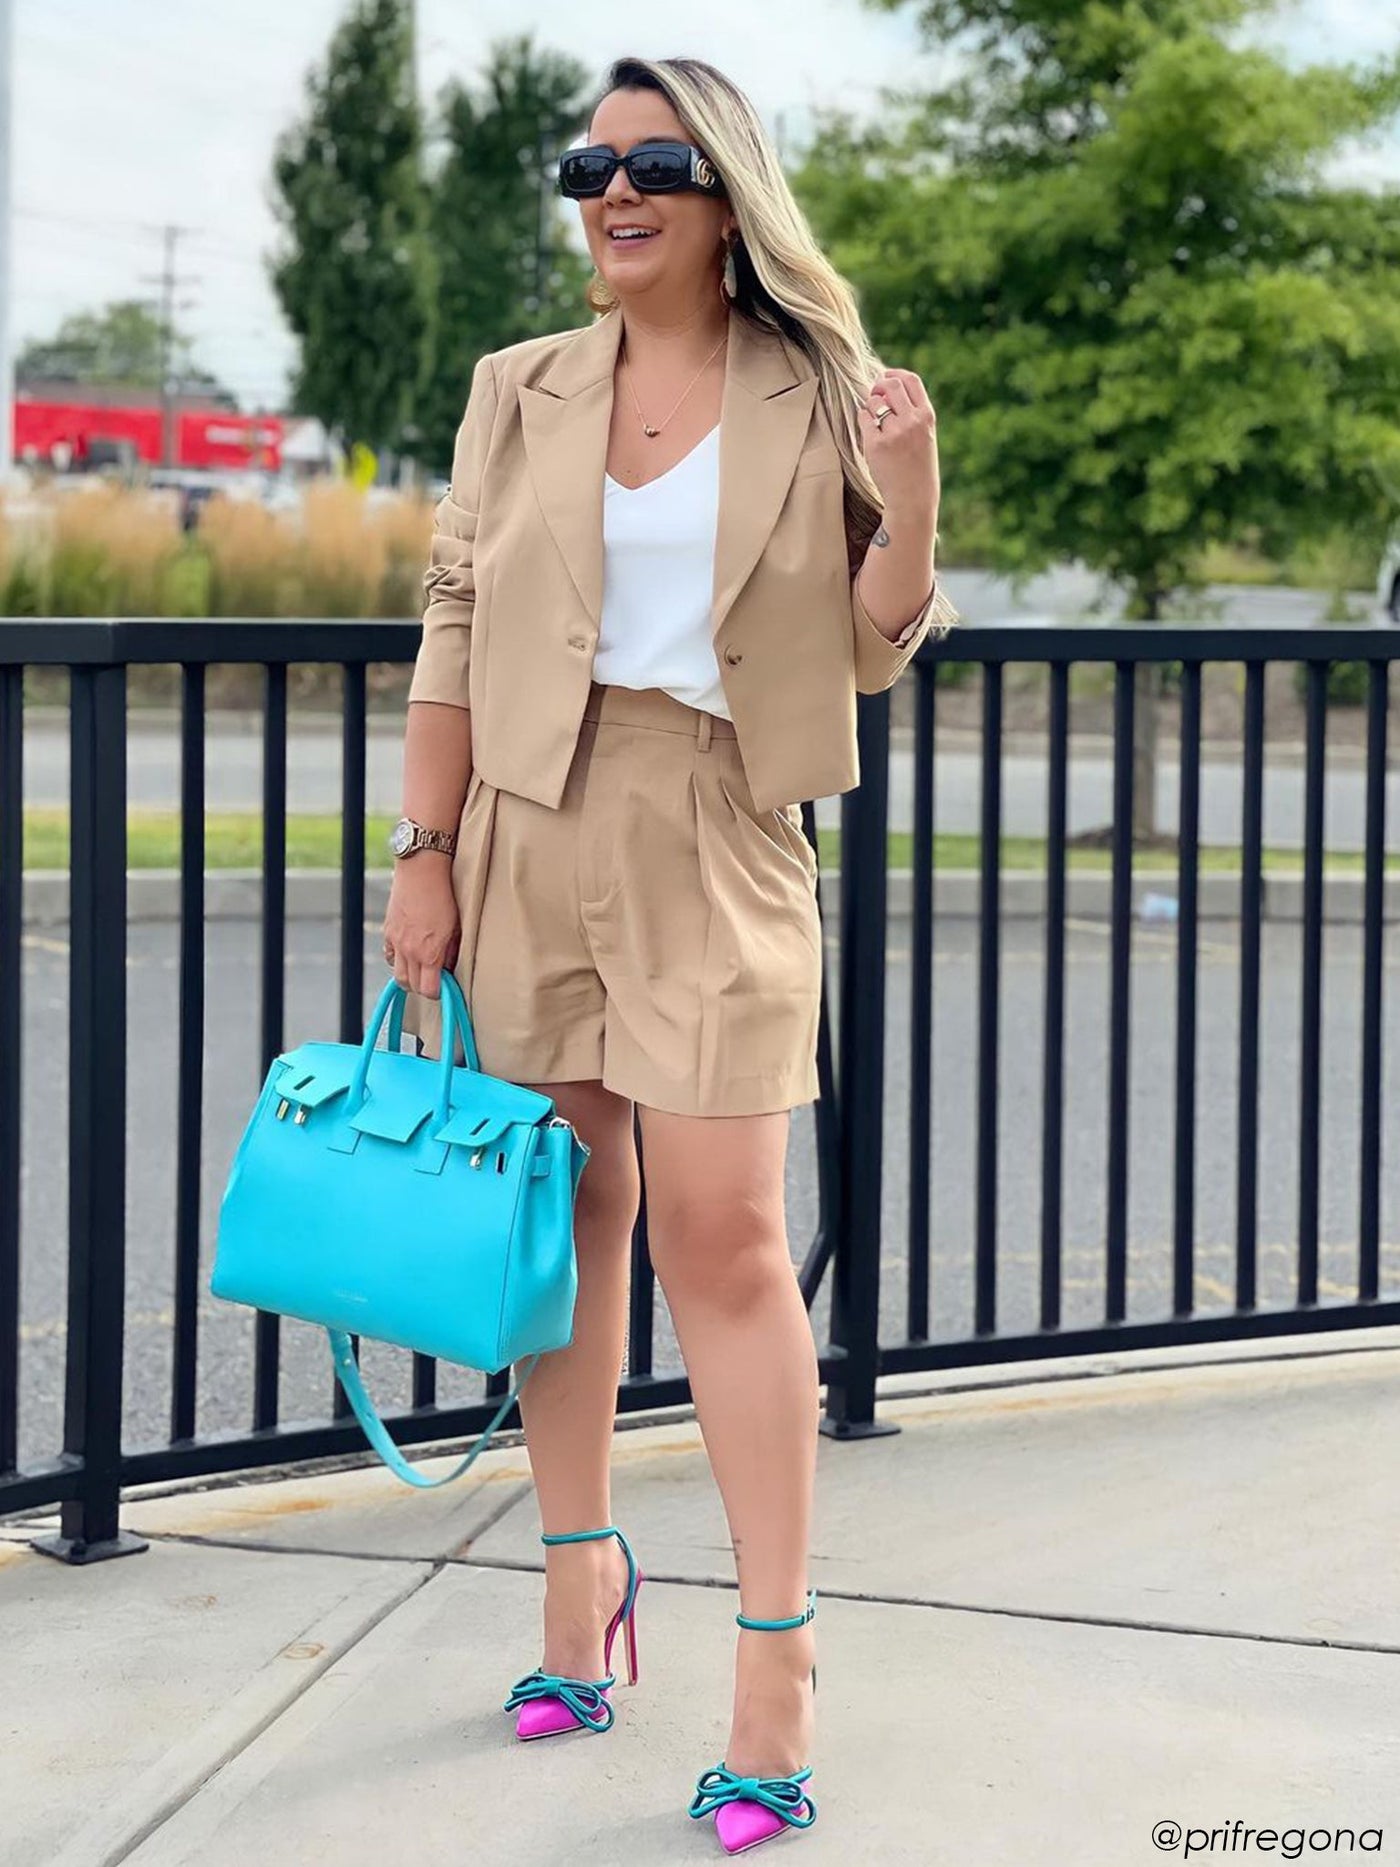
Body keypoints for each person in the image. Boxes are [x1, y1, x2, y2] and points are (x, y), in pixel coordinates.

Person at [382, 53, 955, 1856]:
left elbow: (871, 646)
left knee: (727, 1240)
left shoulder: (821, 391)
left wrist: (912, 501)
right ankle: (580, 1589)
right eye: (591, 166)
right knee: (560, 1223)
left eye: (656, 165)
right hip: (523, 819)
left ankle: (776, 1665)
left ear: (728, 199)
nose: (614, 192)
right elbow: (456, 613)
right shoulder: (519, 387)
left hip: (717, 821)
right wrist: (423, 854)